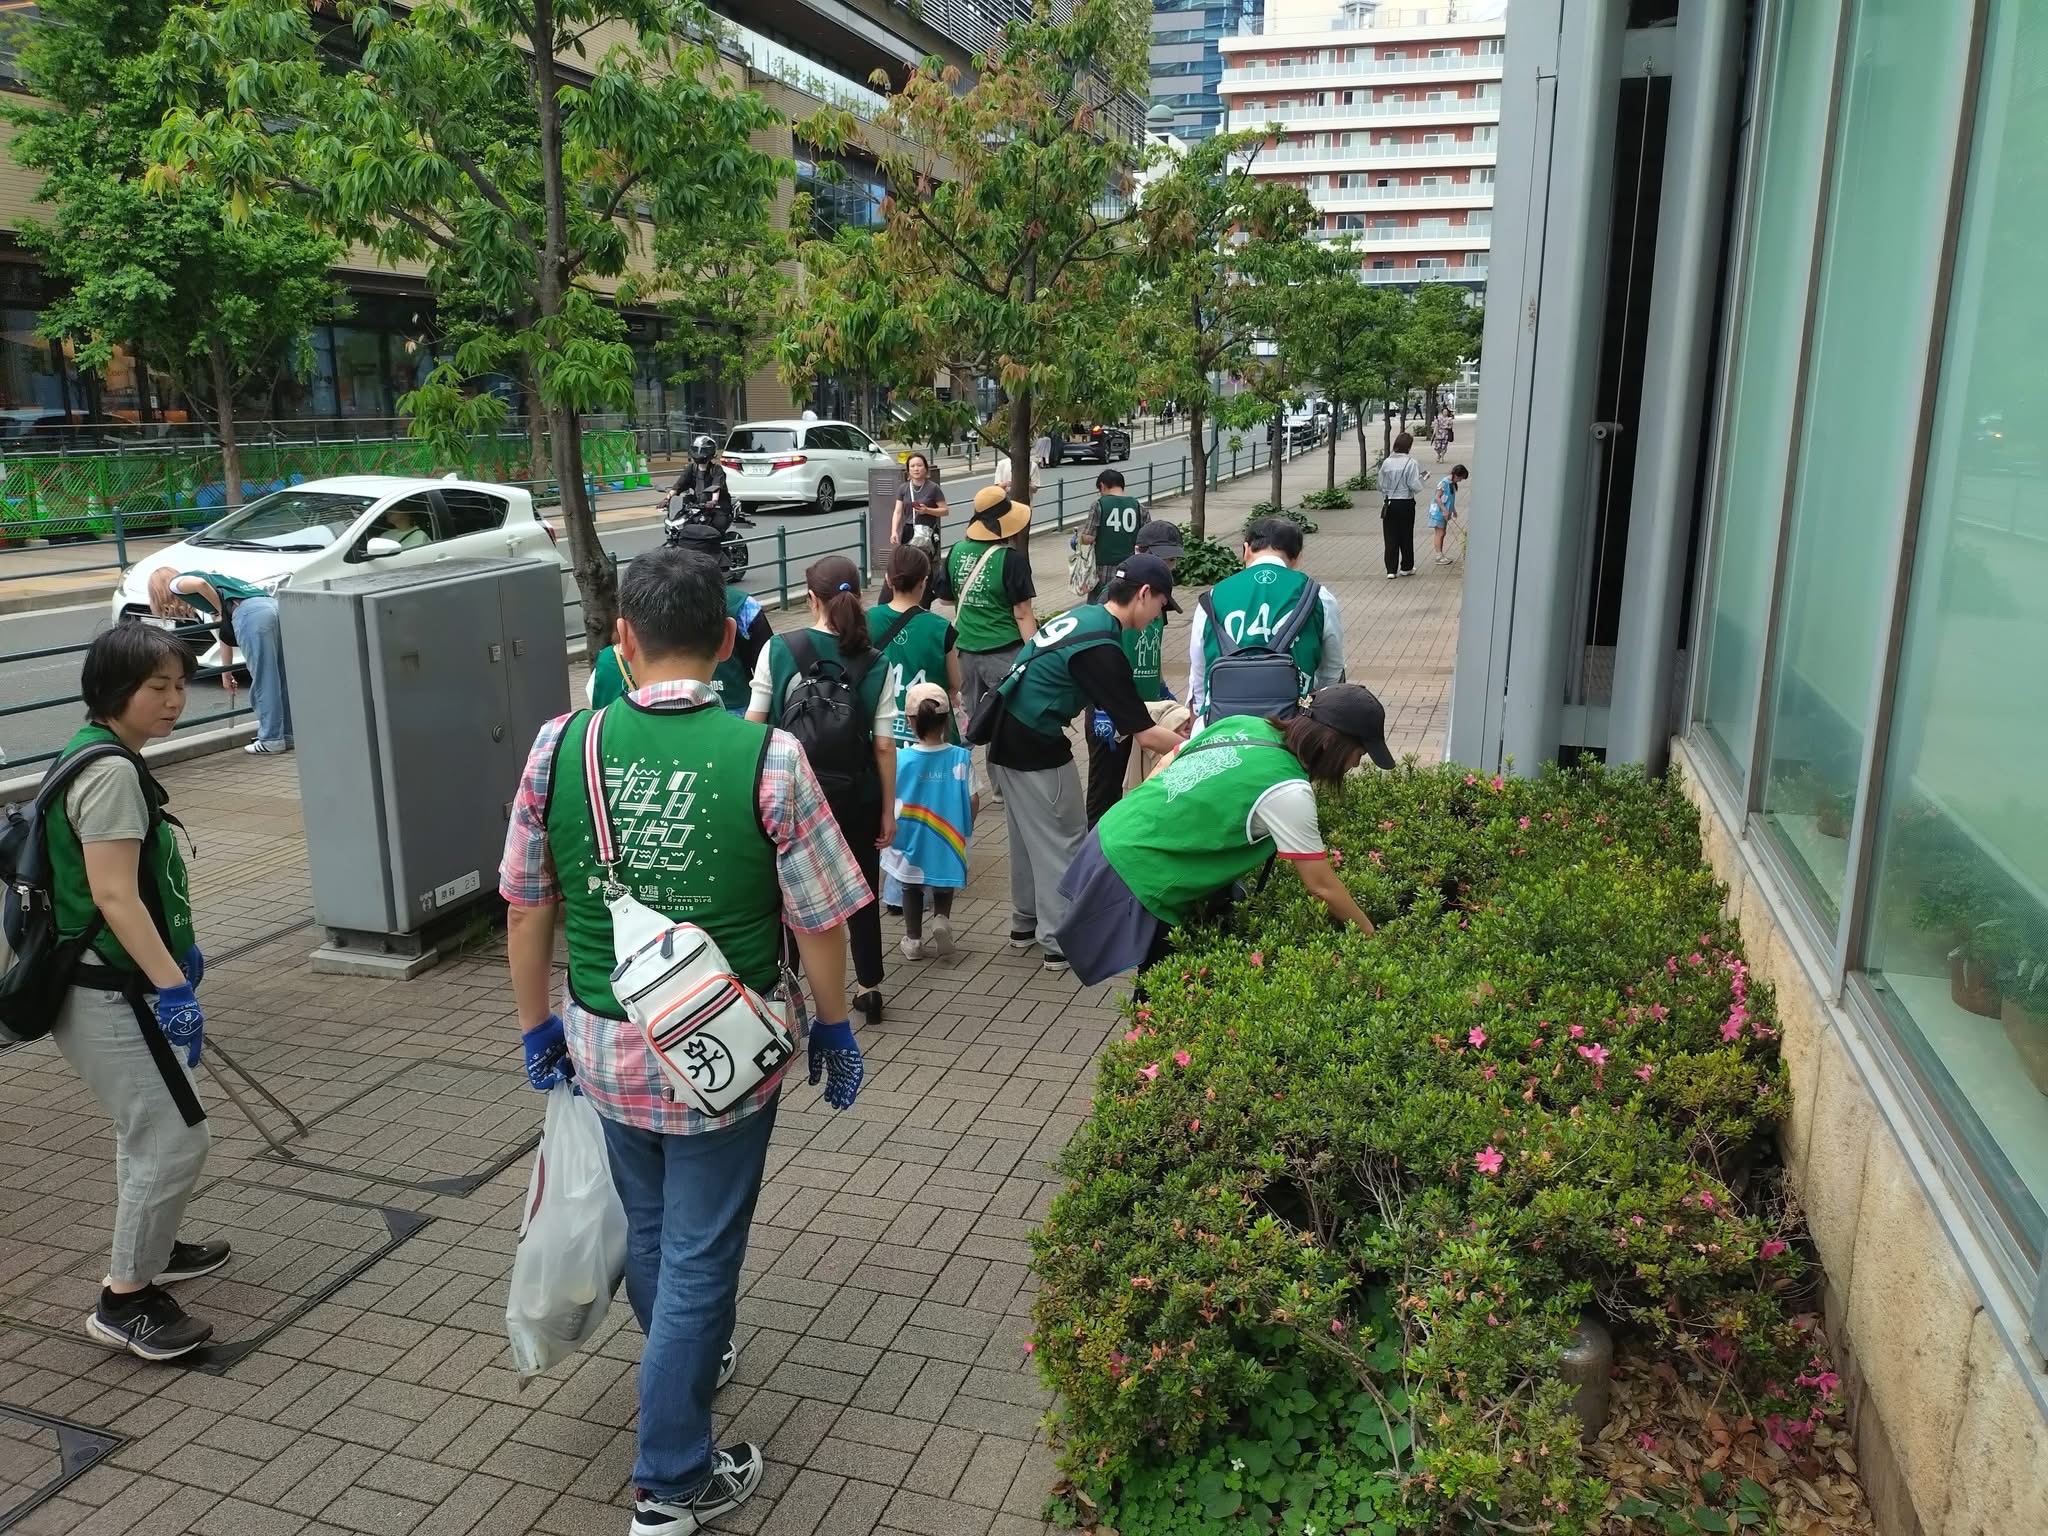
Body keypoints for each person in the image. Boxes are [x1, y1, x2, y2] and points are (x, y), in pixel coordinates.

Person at [502, 546, 870, 1536]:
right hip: (725, 1056)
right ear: (725, 640)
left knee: (656, 1229)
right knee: (702, 1255)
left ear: (622, 638)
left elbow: (526, 905)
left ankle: (689, 1355)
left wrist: (536, 1026)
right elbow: (819, 920)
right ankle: (669, 1482)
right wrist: (835, 1027)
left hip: (603, 1044)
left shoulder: (560, 746)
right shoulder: (770, 758)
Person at [46, 624, 228, 1360]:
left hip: (112, 981)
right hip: (105, 989)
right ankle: (125, 1300)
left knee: (148, 1127)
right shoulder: (112, 772)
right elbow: (114, 895)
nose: (175, 700)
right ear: (114, 689)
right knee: (176, 1136)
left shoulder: (96, 749)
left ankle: (155, 1245)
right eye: (158, 687)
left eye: (180, 685)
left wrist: (173, 960)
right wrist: (175, 985)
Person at [1055, 684, 1398, 986]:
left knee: (1166, 976)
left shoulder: (1247, 724)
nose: (1355, 765)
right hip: (1139, 868)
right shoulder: (1288, 790)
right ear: (1332, 744)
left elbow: (1172, 758)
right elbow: (1321, 885)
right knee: (1162, 984)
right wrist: (1372, 938)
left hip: (1115, 829)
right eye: (1359, 754)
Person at [984, 554, 1186, 971]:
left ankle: (1025, 923)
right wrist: (1196, 746)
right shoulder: (1103, 647)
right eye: (1161, 605)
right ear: (1144, 594)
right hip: (1035, 742)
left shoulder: (1085, 617)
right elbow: (1145, 733)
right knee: (1065, 837)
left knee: (1026, 836)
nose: (1159, 616)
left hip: (1006, 732)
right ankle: (1059, 939)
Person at [748, 556, 896, 1026]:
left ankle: (785, 987)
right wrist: (888, 812)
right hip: (857, 795)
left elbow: (754, 726)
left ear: (811, 597)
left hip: (790, 795)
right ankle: (869, 986)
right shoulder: (877, 662)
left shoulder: (779, 648)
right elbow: (884, 745)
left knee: (785, 893)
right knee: (862, 888)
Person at [590, 528, 769, 713]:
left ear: (626, 637)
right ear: (727, 637)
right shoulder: (744, 606)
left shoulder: (576, 729)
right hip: (737, 711)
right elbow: (768, 667)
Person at [1186, 517, 1345, 721]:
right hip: (1293, 726)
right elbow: (1332, 671)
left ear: (1246, 550)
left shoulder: (1212, 597)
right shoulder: (1319, 596)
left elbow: (1199, 672)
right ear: (1297, 557)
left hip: (1223, 723)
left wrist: (1201, 715)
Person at [1086, 519, 1184, 827]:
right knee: (1106, 790)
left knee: (1143, 786)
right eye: (1164, 558)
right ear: (1140, 551)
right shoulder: (1115, 599)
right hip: (1112, 710)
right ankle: (1095, 846)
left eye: (1173, 560)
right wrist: (1101, 706)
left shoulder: (1158, 596)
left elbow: (1152, 647)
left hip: (1148, 709)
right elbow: (1099, 659)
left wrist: (1163, 690)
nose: (1169, 566)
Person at [949, 485, 1040, 794]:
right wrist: (1034, 654)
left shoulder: (956, 552)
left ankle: (952, 780)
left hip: (965, 652)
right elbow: (1022, 613)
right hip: (1004, 652)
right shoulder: (1011, 560)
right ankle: (1002, 789)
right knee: (1002, 719)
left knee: (969, 720)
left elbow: (946, 598)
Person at [146, 566, 292, 756]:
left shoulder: (176, 583)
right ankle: (287, 735)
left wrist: (221, 611)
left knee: (264, 678)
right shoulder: (215, 582)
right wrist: (226, 673)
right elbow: (224, 634)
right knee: (281, 675)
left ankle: (271, 740)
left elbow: (200, 585)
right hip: (272, 605)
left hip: (251, 614)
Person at [883, 681, 977, 961]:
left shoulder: (900, 759)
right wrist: (966, 826)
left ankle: (913, 940)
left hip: (910, 837)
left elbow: (887, 795)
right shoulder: (961, 757)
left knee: (910, 886)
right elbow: (973, 799)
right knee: (943, 882)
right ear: (947, 721)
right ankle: (941, 920)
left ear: (910, 722)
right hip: (949, 837)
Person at [868, 545, 962, 747]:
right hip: (932, 734)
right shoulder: (941, 628)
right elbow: (954, 684)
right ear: (924, 582)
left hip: (880, 732)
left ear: (888, 580)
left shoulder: (867, 621)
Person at [1078, 468, 1145, 597]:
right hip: (1131, 566)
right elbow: (1147, 537)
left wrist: (1078, 539)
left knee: (1101, 600)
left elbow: (1088, 538)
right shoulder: (1138, 506)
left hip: (1104, 567)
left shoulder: (1099, 505)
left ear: (1102, 486)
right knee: (1125, 599)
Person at [1377, 430, 1427, 578]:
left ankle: (1391, 570)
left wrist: (1388, 492)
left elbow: (1380, 485)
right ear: (1408, 446)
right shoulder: (1411, 463)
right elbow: (1415, 486)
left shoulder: (1386, 462)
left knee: (1390, 536)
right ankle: (1406, 567)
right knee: (1406, 535)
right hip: (1406, 503)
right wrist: (1423, 479)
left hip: (1390, 503)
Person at [667, 434, 733, 531]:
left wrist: (713, 501)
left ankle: (718, 540)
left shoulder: (716, 469)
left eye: (703, 451)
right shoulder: (691, 468)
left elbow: (716, 486)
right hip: (698, 504)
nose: (699, 454)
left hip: (719, 506)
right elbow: (679, 485)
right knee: (686, 522)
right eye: (696, 450)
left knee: (717, 526)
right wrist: (667, 498)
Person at [1431, 463, 1469, 566]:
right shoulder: (1444, 483)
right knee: (1439, 533)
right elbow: (1437, 498)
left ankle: (1441, 554)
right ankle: (1438, 556)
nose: (1460, 481)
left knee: (1443, 533)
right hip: (1438, 512)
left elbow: (1450, 499)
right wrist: (1444, 510)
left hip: (1445, 512)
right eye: (1460, 478)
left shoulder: (1452, 484)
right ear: (1456, 475)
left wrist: (1453, 510)